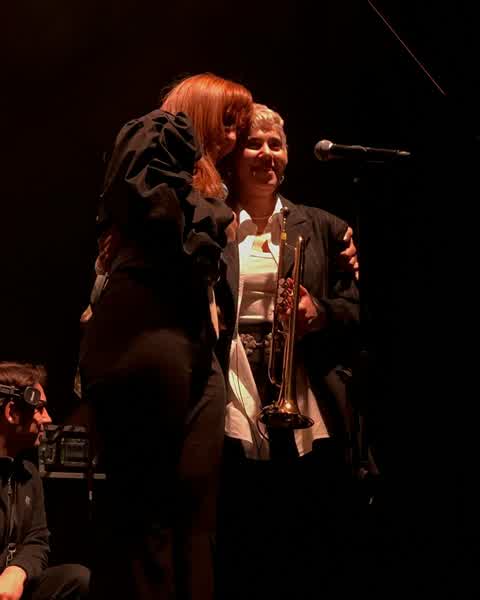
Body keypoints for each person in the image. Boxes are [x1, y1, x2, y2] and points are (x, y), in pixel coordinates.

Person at [79, 73, 253, 600]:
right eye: (228, 121)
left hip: (193, 343)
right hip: (144, 331)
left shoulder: (208, 187)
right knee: (148, 514)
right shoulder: (157, 132)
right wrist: (216, 215)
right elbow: (155, 210)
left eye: (240, 127)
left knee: (196, 516)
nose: (234, 137)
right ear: (199, 109)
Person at [214, 103, 375, 599]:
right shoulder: (213, 224)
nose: (267, 154)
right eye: (254, 144)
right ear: (233, 156)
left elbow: (362, 311)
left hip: (303, 390)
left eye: (276, 144)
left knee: (300, 532)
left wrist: (319, 311)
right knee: (239, 526)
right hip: (232, 388)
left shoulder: (324, 227)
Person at [0, 361, 89, 600]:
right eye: (40, 409)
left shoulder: (28, 474)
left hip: (12, 588)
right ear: (12, 412)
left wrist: (17, 571)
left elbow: (37, 540)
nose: (48, 418)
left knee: (77, 579)